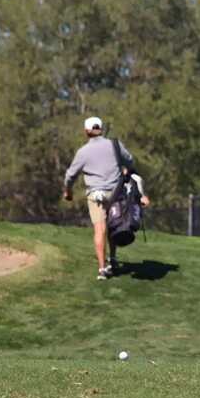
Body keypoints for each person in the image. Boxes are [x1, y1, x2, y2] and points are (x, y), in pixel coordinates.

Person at [63, 116, 150, 280]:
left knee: (100, 229)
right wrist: (126, 170)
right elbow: (130, 161)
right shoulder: (114, 145)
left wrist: (67, 191)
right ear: (101, 129)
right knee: (114, 223)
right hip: (116, 192)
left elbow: (70, 175)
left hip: (96, 195)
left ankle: (103, 268)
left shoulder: (83, 152)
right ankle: (113, 258)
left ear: (86, 131)